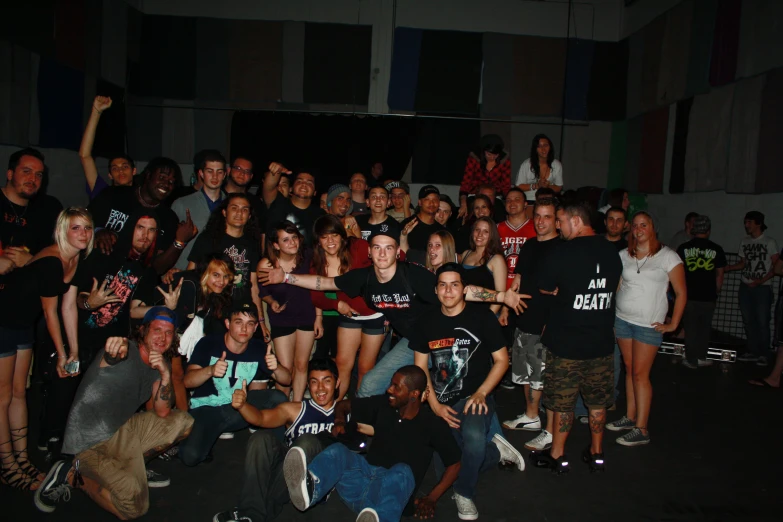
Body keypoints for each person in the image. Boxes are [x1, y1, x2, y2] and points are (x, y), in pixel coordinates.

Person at [258, 227, 528, 399]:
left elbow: (460, 290)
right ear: (370, 252)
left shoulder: (414, 275)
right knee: (367, 387)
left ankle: (492, 435)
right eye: (377, 248)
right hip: (413, 344)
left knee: (463, 394)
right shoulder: (363, 278)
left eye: (389, 247)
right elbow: (324, 283)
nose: (383, 253)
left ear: (396, 252)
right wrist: (287, 277)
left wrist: (502, 296)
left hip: (444, 341)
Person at [34, 308, 193, 517]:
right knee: (134, 507)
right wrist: (113, 351)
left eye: (169, 332)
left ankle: (135, 467)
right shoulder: (126, 350)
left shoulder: (158, 363)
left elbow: (162, 413)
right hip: (89, 444)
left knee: (183, 421)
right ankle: (71, 474)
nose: (162, 337)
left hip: (120, 432)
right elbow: (112, 356)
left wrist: (164, 375)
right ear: (143, 330)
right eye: (157, 330)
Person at [45, 210, 166, 450]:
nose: (146, 235)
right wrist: (92, 302)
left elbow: (134, 310)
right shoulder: (103, 254)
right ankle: (55, 452)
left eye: (152, 230)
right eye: (141, 228)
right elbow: (77, 298)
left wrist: (164, 307)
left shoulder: (145, 270)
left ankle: (88, 453)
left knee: (96, 402)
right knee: (64, 397)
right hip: (77, 340)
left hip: (108, 347)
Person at [412, 263, 524, 520]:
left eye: (455, 285)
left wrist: (482, 393)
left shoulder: (481, 318)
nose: (448, 291)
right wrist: (436, 406)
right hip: (442, 401)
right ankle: (495, 452)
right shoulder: (426, 321)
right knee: (446, 471)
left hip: (473, 397)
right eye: (442, 285)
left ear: (464, 289)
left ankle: (464, 493)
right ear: (436, 290)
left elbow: (502, 361)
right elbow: (420, 369)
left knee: (472, 439)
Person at [283, 365, 462, 522]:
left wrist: (432, 497)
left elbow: (455, 463)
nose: (389, 390)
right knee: (339, 450)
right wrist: (339, 421)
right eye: (391, 384)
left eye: (396, 387)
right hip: (360, 482)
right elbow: (344, 405)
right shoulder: (383, 405)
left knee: (403, 471)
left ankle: (377, 517)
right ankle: (310, 489)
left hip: (389, 495)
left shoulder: (432, 424)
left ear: (414, 394)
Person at [0, 208, 92, 491]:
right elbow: (50, 312)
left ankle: (23, 459)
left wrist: (74, 351)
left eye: (87, 228)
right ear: (63, 230)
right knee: (3, 397)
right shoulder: (53, 260)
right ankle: (7, 466)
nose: (83, 234)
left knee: (19, 393)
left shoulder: (75, 259)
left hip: (23, 325)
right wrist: (63, 355)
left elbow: (69, 308)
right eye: (75, 228)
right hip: (3, 322)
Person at [527, 201, 622, 474]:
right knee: (597, 402)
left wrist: (561, 291)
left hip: (566, 343)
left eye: (560, 220)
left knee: (562, 403)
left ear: (576, 221)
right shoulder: (611, 250)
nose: (558, 225)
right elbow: (613, 286)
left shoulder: (563, 252)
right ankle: (597, 453)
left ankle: (558, 455)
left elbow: (544, 286)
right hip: (601, 343)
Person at [213, 358, 340, 522]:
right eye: (314, 382)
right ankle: (250, 515)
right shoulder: (295, 410)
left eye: (327, 381)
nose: (320, 388)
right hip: (285, 470)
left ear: (337, 383)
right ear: (308, 385)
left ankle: (248, 512)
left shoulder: (346, 413)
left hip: (314, 477)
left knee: (307, 442)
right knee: (260, 438)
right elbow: (260, 418)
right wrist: (243, 406)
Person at [607, 211, 686, 447]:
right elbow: (617, 287)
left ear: (653, 228)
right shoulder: (624, 255)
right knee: (631, 371)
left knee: (641, 375)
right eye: (636, 226)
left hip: (648, 325)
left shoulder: (668, 257)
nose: (639, 230)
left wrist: (673, 324)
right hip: (623, 320)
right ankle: (630, 417)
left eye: (644, 225)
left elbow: (681, 292)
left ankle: (642, 428)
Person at [179, 302, 290, 466]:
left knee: (277, 397)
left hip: (239, 408)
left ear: (255, 328)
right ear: (227, 324)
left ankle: (276, 451)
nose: (244, 329)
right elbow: (187, 382)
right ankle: (208, 437)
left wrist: (276, 367)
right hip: (207, 410)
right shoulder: (208, 343)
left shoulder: (259, 348)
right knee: (190, 456)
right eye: (238, 322)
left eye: (250, 324)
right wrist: (210, 370)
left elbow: (287, 380)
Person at [501, 198, 561, 453]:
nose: (541, 221)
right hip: (523, 317)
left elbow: (565, 290)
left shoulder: (563, 247)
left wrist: (554, 321)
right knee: (525, 372)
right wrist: (505, 306)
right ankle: (531, 415)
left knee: (544, 377)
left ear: (556, 220)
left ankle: (550, 429)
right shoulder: (529, 244)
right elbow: (519, 278)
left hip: (547, 323)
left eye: (547, 216)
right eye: (538, 215)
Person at [310, 215, 384, 399]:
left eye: (334, 235)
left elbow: (388, 260)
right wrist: (337, 304)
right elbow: (317, 297)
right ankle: (333, 409)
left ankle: (359, 410)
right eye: (324, 237)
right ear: (318, 241)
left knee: (365, 367)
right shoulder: (317, 262)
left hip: (374, 315)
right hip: (349, 315)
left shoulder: (358, 247)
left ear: (342, 236)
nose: (330, 241)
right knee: (342, 363)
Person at [88, 157, 197, 274]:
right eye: (162, 177)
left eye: (171, 182)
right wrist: (97, 230)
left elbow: (157, 269)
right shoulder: (114, 194)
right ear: (148, 175)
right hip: (95, 274)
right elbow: (81, 220)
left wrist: (180, 242)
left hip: (133, 285)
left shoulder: (168, 219)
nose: (166, 184)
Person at [186, 193, 265, 336]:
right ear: (224, 212)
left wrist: (261, 321)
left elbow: (253, 284)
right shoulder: (208, 239)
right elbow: (190, 274)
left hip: (243, 311)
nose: (239, 213)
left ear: (249, 216)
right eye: (234, 208)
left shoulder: (252, 243)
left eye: (244, 209)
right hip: (213, 311)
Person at [258, 221, 317, 400]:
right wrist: (272, 301)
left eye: (294, 238)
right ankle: (282, 408)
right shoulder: (267, 264)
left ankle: (296, 406)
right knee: (285, 369)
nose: (292, 243)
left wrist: (319, 317)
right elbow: (262, 292)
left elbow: (318, 286)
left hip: (306, 315)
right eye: (286, 240)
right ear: (276, 245)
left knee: (302, 365)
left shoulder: (308, 257)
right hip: (281, 319)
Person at [725, 211, 779, 365]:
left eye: (749, 222)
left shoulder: (769, 242)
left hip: (762, 288)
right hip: (746, 285)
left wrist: (761, 281)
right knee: (748, 320)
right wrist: (728, 268)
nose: (746, 225)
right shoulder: (745, 241)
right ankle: (753, 351)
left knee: (762, 320)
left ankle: (764, 353)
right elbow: (743, 263)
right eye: (746, 222)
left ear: (758, 223)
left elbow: (776, 266)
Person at [0, 148, 63, 275]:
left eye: (38, 174)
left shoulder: (49, 208)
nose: (32, 179)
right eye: (26, 171)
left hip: (25, 291)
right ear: (10, 174)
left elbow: (63, 257)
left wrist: (32, 261)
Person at [676, 215, 726, 369]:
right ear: (708, 230)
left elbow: (677, 272)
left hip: (688, 296)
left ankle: (691, 359)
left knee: (690, 328)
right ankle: (701, 356)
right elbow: (719, 274)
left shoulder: (683, 248)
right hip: (708, 296)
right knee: (704, 328)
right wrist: (716, 290)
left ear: (693, 229)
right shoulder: (716, 249)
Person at [171, 150, 227, 269]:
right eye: (209, 171)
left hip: (219, 275)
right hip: (185, 271)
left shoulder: (231, 206)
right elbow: (169, 241)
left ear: (225, 175)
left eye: (219, 172)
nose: (215, 176)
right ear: (201, 173)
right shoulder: (182, 204)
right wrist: (169, 268)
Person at [79, 96, 136, 200]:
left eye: (125, 167)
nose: (120, 171)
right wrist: (96, 111)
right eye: (115, 168)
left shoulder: (143, 199)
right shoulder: (102, 193)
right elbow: (85, 156)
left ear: (134, 171)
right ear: (110, 175)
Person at [261, 163, 324, 245]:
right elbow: (268, 188)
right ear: (291, 188)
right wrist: (276, 171)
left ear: (315, 192)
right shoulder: (278, 203)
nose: (304, 184)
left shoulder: (321, 215)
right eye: (299, 181)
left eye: (309, 183)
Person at [460, 217, 508, 315]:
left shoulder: (496, 259)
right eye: (477, 230)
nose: (480, 234)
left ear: (492, 236)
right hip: (464, 314)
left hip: (485, 315)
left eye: (486, 231)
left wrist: (487, 319)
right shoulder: (465, 254)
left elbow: (500, 295)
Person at [459, 134, 511, 220]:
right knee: (469, 215)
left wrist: (508, 202)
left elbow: (506, 185)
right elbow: (466, 182)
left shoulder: (504, 160)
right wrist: (463, 203)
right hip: (475, 194)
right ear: (483, 152)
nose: (492, 157)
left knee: (499, 216)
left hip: (495, 197)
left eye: (495, 155)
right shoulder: (474, 158)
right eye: (489, 154)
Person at [515, 134, 563, 218]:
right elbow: (518, 186)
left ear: (550, 147)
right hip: (530, 200)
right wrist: (536, 185)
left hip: (549, 201)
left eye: (546, 145)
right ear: (535, 149)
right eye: (539, 146)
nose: (543, 149)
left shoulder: (557, 165)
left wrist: (548, 186)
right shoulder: (526, 164)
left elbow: (559, 187)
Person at [497, 188, 536, 290]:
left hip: (528, 287)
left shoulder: (537, 227)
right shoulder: (496, 228)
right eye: (508, 200)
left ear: (525, 204)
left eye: (517, 199)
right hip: (500, 287)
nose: (512, 203)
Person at [400, 185, 445, 265]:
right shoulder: (407, 226)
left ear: (438, 203)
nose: (431, 203)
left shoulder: (442, 231)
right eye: (427, 199)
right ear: (420, 202)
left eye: (435, 199)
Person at [224, 156, 266, 234]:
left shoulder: (255, 203)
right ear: (229, 170)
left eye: (247, 171)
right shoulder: (217, 196)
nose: (242, 173)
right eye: (238, 168)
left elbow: (261, 233)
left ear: (251, 176)